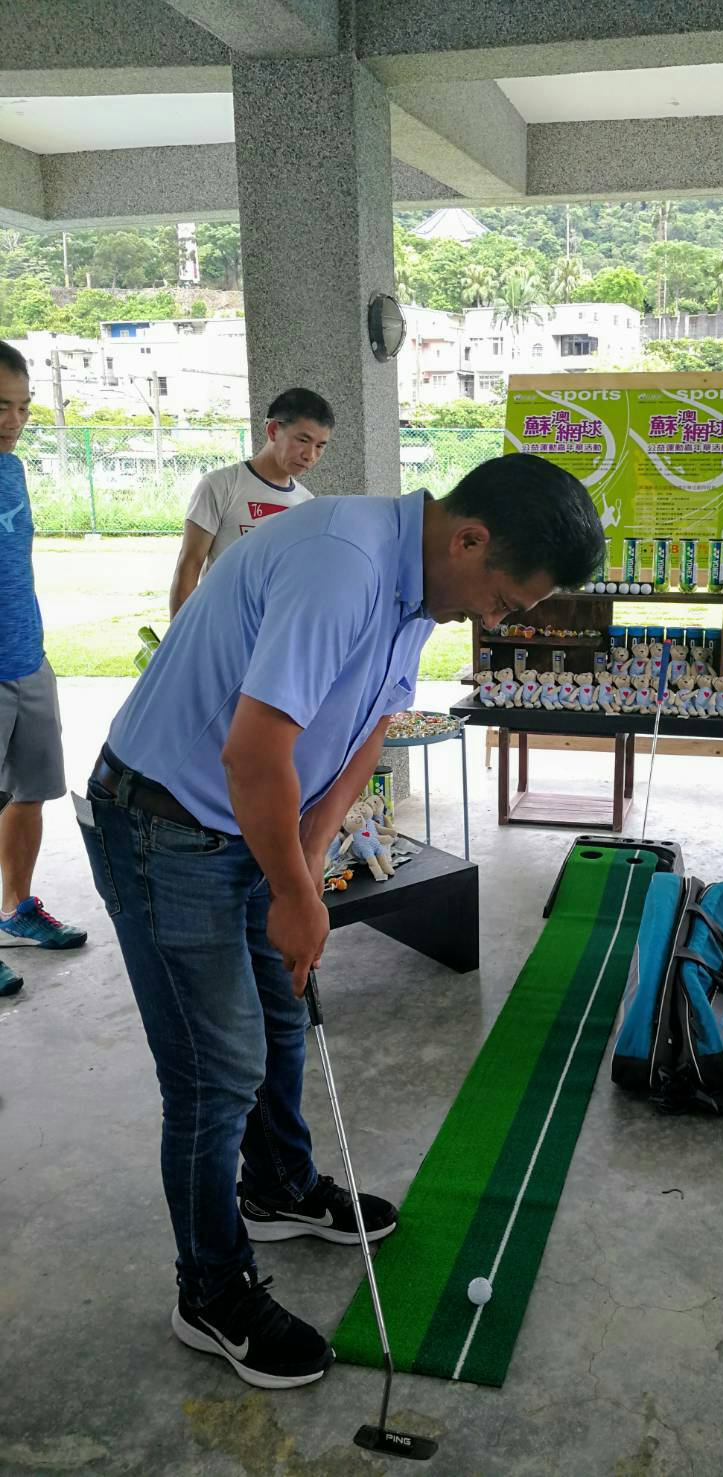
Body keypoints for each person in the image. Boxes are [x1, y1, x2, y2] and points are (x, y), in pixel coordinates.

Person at [77, 452, 604, 1390]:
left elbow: (370, 729)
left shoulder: (417, 589)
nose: (501, 620)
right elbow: (252, 752)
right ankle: (210, 1289)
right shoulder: (344, 563)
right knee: (214, 1072)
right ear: (470, 538)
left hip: (246, 818)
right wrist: (292, 893)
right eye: (507, 599)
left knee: (282, 1013)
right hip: (166, 822)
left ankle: (276, 1185)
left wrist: (311, 857)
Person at [0, 341, 87, 998]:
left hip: (29, 661)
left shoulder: (13, 469)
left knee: (31, 791)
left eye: (23, 407)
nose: (13, 420)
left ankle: (18, 907)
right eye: (1, 407)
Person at [168, 387, 334, 616]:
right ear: (274, 430)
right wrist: (181, 642)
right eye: (303, 440)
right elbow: (189, 565)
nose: (310, 455)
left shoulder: (307, 504)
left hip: (275, 634)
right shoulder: (221, 484)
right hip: (220, 630)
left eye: (320, 446)